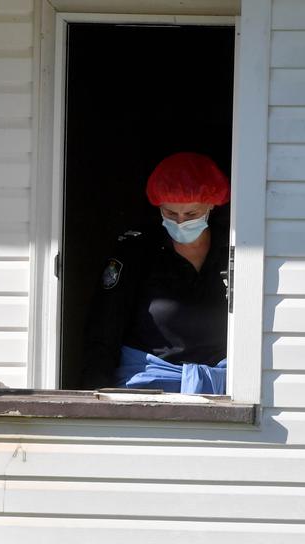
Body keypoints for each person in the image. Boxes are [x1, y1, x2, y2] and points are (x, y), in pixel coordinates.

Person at [81, 152, 231, 394]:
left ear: (211, 205)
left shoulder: (232, 249)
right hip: (146, 385)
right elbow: (103, 330)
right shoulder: (136, 251)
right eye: (171, 214)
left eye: (191, 214)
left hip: (223, 389)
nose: (180, 222)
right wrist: (94, 399)